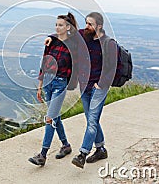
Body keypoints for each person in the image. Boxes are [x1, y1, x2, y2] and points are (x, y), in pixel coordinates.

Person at [45, 12, 117, 169]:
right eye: (86, 23)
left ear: (99, 26)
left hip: (99, 88)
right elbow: (66, 32)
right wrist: (52, 37)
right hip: (84, 86)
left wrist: (101, 83)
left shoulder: (108, 43)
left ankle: (82, 154)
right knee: (91, 119)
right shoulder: (83, 36)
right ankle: (100, 149)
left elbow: (112, 68)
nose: (86, 26)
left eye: (90, 24)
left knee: (92, 121)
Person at [28, 12, 79, 166]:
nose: (57, 27)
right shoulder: (51, 43)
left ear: (68, 27)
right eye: (56, 25)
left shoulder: (73, 45)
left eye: (61, 25)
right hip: (48, 83)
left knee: (50, 118)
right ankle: (65, 145)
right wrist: (39, 86)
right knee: (55, 117)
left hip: (60, 84)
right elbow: (44, 64)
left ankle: (42, 155)